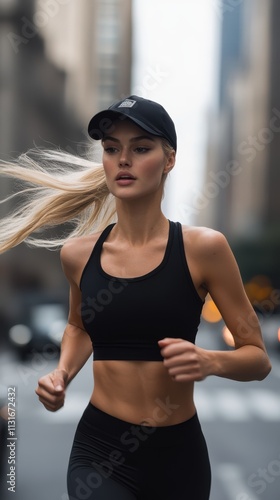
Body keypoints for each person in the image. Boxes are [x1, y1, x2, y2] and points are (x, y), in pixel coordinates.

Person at [0, 95, 271, 499]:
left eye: (140, 148)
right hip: (99, 449)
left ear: (169, 160)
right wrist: (62, 374)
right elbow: (79, 325)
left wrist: (209, 360)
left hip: (179, 456)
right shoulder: (78, 254)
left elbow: (259, 359)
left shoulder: (204, 249)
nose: (123, 160)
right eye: (112, 150)